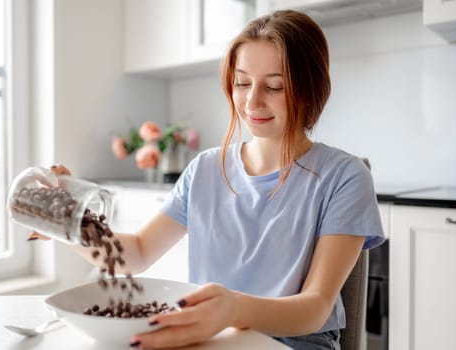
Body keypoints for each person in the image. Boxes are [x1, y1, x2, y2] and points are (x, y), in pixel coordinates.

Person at [32, 10, 385, 350]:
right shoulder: (204, 169)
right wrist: (66, 220)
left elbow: (316, 306)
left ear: (310, 89)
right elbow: (136, 253)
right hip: (210, 337)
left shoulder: (345, 176)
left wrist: (234, 309)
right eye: (242, 83)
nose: (252, 101)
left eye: (274, 87)